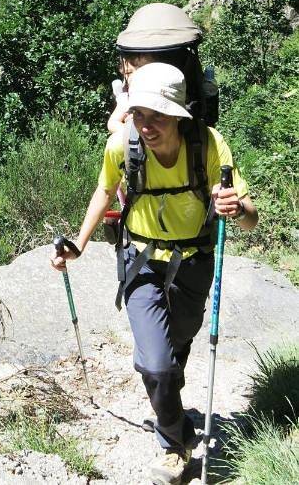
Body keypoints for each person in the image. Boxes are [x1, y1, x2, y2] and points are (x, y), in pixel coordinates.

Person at [51, 62, 258, 485]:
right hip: (141, 261)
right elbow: (105, 190)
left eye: (157, 115)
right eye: (138, 114)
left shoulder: (208, 145)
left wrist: (236, 208)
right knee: (158, 365)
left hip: (194, 261)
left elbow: (250, 219)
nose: (145, 126)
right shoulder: (122, 145)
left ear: (179, 114)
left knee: (178, 345)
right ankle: (174, 445)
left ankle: (167, 397)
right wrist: (79, 243)